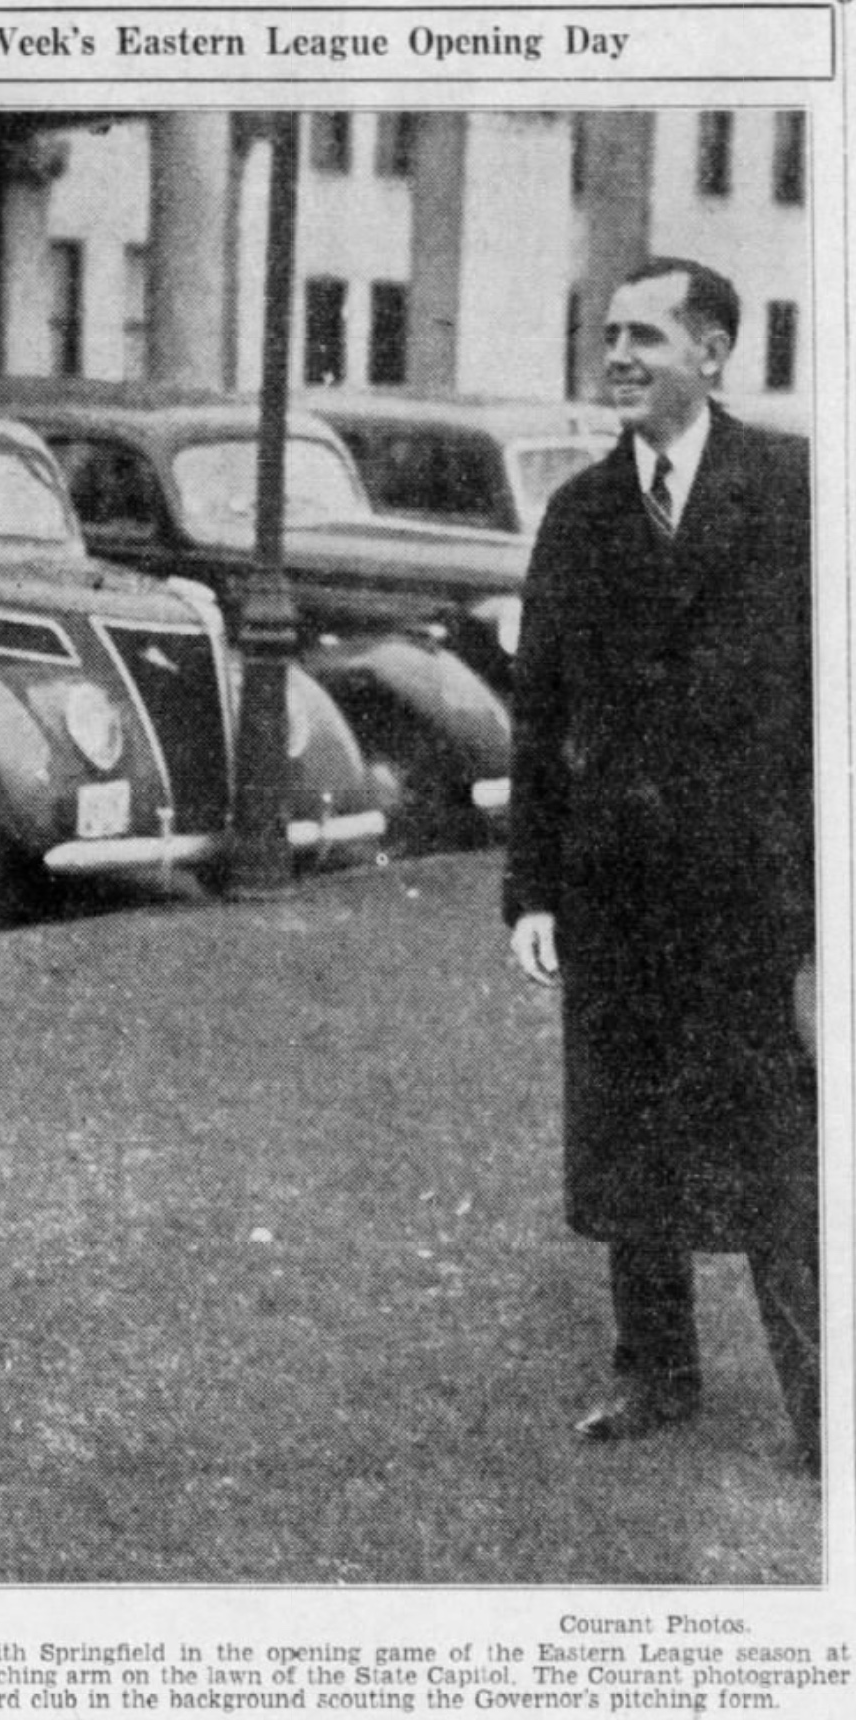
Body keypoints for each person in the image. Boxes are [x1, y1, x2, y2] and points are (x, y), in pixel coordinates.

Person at [505, 257, 817, 1475]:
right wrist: (530, 888)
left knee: (775, 1152)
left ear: (713, 352)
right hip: (617, 892)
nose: (618, 356)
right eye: (608, 336)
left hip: (758, 891)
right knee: (631, 1142)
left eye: (645, 335)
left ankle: (821, 1404)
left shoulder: (793, 489)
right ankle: (655, 1375)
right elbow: (539, 718)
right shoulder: (580, 513)